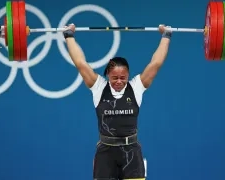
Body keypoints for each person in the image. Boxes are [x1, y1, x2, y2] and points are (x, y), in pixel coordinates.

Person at [63, 23, 172, 180]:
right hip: (105, 153)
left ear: (128, 76)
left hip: (132, 153)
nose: (119, 81)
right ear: (107, 75)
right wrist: (69, 36)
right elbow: (81, 64)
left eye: (123, 78)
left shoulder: (136, 87)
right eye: (115, 78)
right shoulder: (99, 87)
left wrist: (166, 36)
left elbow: (155, 64)